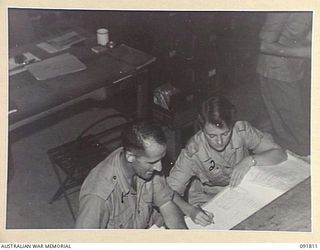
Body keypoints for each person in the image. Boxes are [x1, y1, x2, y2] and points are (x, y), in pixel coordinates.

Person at [167, 96, 287, 227]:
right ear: (201, 129)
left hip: (244, 190)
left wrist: (250, 160)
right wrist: (190, 211)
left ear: (232, 125)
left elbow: (279, 153)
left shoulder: (241, 130)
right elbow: (166, 193)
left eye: (225, 134)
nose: (219, 142)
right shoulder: (192, 152)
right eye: (212, 136)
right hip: (210, 198)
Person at [75, 121, 187, 229]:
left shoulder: (148, 163)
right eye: (152, 162)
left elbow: (166, 204)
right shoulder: (98, 197)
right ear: (130, 156)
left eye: (160, 159)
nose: (159, 168)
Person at [257, 12, 312, 156]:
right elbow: (265, 45)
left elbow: (297, 33)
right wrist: (308, 52)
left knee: (299, 123)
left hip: (296, 69)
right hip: (277, 71)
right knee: (297, 131)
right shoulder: (283, 8)